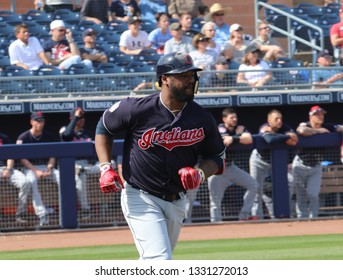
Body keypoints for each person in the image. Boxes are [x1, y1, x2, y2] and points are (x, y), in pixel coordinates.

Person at [94, 52, 225, 259]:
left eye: (192, 75)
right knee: (160, 260)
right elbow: (104, 127)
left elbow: (217, 157)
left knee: (153, 260)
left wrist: (200, 174)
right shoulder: (137, 108)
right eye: (183, 75)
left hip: (178, 200)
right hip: (141, 196)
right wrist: (105, 167)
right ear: (164, 79)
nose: (190, 80)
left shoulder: (202, 117)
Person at [207, 108, 258, 222]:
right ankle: (216, 225)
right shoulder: (219, 128)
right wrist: (237, 136)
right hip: (217, 169)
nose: (235, 119)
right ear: (224, 119)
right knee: (215, 201)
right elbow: (224, 140)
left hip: (231, 167)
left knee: (253, 185)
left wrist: (234, 138)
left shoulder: (239, 128)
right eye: (231, 118)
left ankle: (244, 216)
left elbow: (249, 139)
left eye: (235, 117)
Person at [292, 105, 343, 219]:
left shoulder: (327, 126)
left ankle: (314, 218)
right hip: (300, 164)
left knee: (313, 194)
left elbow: (339, 127)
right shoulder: (305, 124)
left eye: (322, 114)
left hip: (315, 166)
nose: (320, 117)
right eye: (317, 114)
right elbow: (301, 130)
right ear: (311, 116)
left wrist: (339, 128)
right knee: (301, 195)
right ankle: (302, 218)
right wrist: (318, 131)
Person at [249, 109, 298, 219]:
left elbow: (295, 139)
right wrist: (286, 137)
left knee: (290, 182)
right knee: (256, 188)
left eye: (280, 118)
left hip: (276, 163)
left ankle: (285, 212)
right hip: (259, 161)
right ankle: (257, 217)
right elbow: (269, 139)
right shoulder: (264, 127)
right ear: (269, 120)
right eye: (276, 119)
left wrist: (281, 135)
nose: (279, 121)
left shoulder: (285, 127)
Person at [16, 112, 60, 226]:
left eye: (42, 120)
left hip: (46, 166)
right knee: (31, 182)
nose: (41, 123)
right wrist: (36, 171)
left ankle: (65, 210)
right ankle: (42, 214)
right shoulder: (23, 137)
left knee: (62, 177)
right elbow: (22, 159)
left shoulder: (48, 136)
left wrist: (50, 167)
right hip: (30, 168)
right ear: (31, 122)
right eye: (38, 120)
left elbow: (53, 155)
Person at [59, 107, 100, 220]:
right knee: (81, 175)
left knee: (111, 163)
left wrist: (93, 163)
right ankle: (85, 209)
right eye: (79, 118)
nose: (82, 120)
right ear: (72, 118)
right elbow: (67, 136)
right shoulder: (64, 129)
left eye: (83, 118)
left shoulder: (88, 133)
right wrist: (76, 117)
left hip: (88, 165)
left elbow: (95, 150)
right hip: (72, 165)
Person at [0, 131, 30, 224]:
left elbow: (11, 155)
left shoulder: (3, 137)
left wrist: (8, 169)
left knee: (25, 182)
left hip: (6, 168)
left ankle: (20, 214)